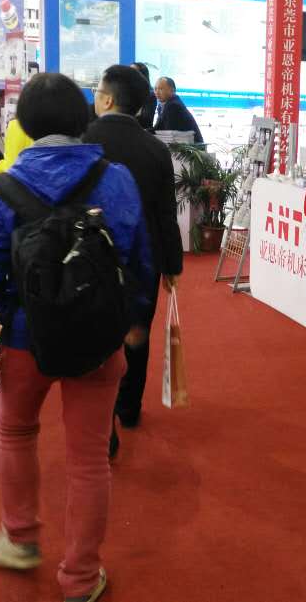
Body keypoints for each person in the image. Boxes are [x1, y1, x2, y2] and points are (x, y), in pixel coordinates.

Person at [0, 71, 154, 602]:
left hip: (25, 337)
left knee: (16, 432)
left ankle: (20, 539)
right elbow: (139, 257)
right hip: (98, 336)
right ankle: (81, 577)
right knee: (89, 458)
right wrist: (135, 320)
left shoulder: (4, 187)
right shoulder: (116, 179)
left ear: (23, 123)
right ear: (82, 117)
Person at [84, 65, 183, 454]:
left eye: (97, 91)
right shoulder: (156, 149)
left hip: (91, 257)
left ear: (108, 99)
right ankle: (129, 407)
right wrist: (172, 265)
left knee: (96, 337)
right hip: (145, 259)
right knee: (136, 333)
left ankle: (102, 419)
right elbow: (166, 213)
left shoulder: (83, 140)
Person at [152, 76, 202, 143]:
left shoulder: (173, 105)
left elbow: (167, 132)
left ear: (172, 90)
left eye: (161, 89)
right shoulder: (162, 105)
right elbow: (157, 128)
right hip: (179, 142)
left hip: (192, 146)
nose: (157, 92)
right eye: (155, 89)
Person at [130, 62, 156, 131]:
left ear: (142, 75)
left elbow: (146, 120)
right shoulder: (126, 92)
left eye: (133, 71)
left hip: (142, 131)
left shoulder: (150, 95)